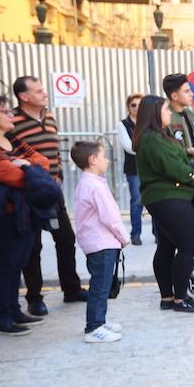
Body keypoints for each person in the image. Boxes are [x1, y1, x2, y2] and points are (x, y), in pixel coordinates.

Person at [8, 76, 87, 316]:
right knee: (33, 246)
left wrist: (59, 174)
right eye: (39, 90)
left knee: (65, 238)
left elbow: (54, 151)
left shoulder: (49, 117)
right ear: (24, 96)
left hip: (53, 191)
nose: (45, 94)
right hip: (28, 192)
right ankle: (34, 297)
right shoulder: (12, 121)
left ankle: (71, 289)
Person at [133, 95, 194, 312]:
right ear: (155, 113)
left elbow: (170, 159)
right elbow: (175, 169)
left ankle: (168, 297)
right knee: (188, 245)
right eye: (165, 110)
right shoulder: (153, 138)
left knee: (166, 246)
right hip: (170, 197)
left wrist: (186, 152)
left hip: (165, 198)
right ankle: (180, 299)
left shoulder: (155, 136)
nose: (169, 114)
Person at [0, 95, 52, 335]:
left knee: (17, 264)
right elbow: (9, 175)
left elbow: (43, 161)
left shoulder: (12, 140)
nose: (11, 116)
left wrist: (26, 166)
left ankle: (13, 309)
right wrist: (29, 171)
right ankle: (1, 316)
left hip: (23, 212)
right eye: (5, 112)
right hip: (3, 216)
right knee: (3, 267)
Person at [71, 141, 129, 343]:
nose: (106, 160)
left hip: (96, 243)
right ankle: (93, 327)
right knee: (100, 287)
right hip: (102, 243)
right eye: (103, 157)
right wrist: (124, 236)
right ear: (93, 160)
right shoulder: (94, 186)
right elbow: (110, 217)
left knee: (101, 285)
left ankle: (99, 321)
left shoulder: (87, 183)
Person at [163, 73, 194, 293]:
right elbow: (166, 149)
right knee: (186, 236)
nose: (192, 94)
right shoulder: (167, 117)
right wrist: (187, 151)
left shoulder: (190, 114)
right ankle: (180, 281)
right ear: (174, 95)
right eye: (187, 91)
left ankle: (187, 275)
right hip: (183, 179)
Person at [117, 93, 144, 245]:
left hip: (151, 167)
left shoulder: (148, 122)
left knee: (154, 199)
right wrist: (148, 148)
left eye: (140, 105)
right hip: (134, 169)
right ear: (129, 107)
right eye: (134, 105)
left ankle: (157, 233)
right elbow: (128, 146)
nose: (137, 108)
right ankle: (136, 234)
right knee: (137, 201)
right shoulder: (123, 124)